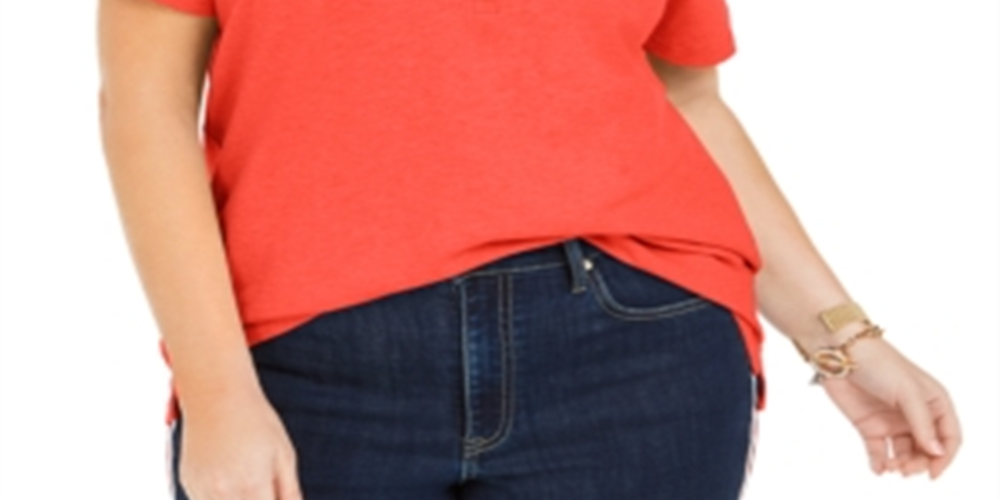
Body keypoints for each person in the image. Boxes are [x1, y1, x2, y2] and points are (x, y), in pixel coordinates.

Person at [96, 0, 962, 498]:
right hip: (314, 369)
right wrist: (217, 395)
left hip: (636, 348)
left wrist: (843, 337)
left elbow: (685, 99)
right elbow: (144, 107)